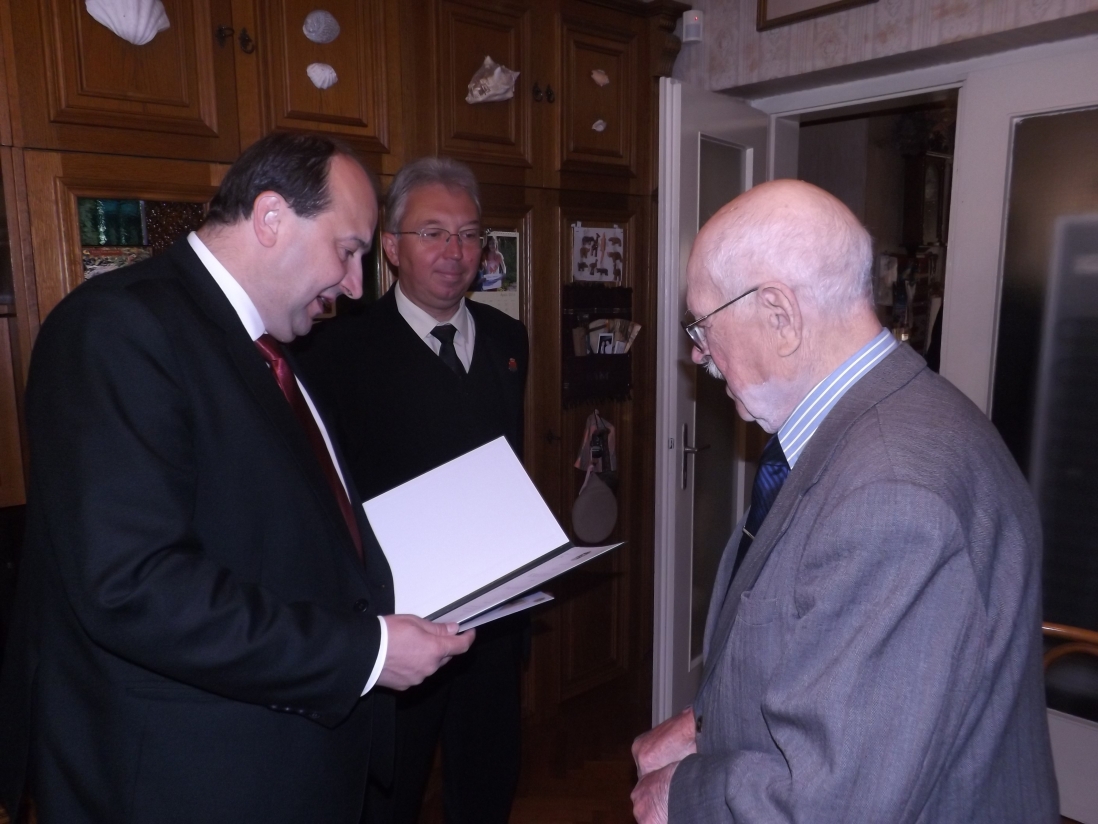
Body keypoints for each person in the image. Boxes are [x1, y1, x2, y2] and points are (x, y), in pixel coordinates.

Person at [0, 133, 474, 824]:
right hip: (186, 779)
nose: (354, 284)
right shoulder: (116, 326)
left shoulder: (272, 347)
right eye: (348, 251)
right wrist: (366, 653)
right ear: (272, 217)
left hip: (284, 761)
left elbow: (289, 531)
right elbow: (135, 585)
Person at [630, 179, 1058, 823]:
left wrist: (681, 794)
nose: (698, 352)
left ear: (779, 314)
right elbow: (819, 647)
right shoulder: (887, 417)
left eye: (703, 324)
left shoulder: (892, 498)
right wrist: (706, 725)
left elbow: (832, 804)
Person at [296, 156, 529, 824]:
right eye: (433, 233)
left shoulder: (509, 338)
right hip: (397, 624)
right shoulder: (334, 351)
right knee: (387, 799)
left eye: (469, 235)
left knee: (486, 788)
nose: (455, 252)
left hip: (496, 617)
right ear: (392, 248)